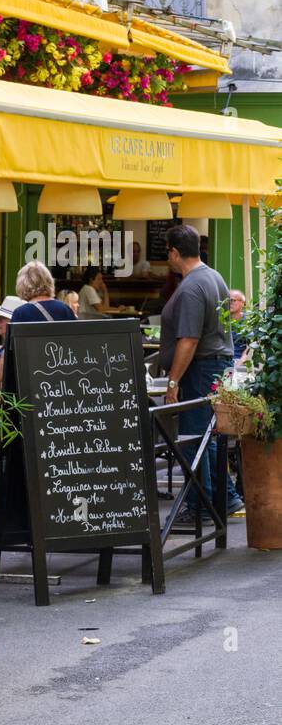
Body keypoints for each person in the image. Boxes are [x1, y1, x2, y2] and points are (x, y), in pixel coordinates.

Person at [159, 223, 243, 521]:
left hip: (201, 367)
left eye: (167, 252)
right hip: (215, 364)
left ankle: (201, 505)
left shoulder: (193, 285)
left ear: (174, 252)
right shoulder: (215, 277)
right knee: (209, 435)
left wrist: (173, 382)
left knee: (195, 435)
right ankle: (223, 498)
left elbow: (190, 340)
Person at [0, 262, 73, 389]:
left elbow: (10, 357)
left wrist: (1, 388)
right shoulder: (65, 309)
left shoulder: (21, 313)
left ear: (22, 284)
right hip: (63, 383)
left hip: (32, 384)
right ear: (49, 281)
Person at [228, 289, 250, 361]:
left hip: (240, 361)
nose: (229, 303)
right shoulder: (221, 319)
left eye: (233, 300)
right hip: (223, 360)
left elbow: (250, 348)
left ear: (242, 303)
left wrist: (238, 365)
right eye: (227, 300)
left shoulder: (249, 321)